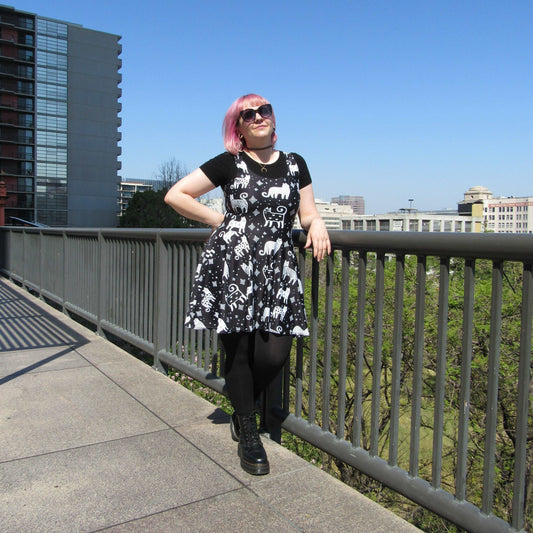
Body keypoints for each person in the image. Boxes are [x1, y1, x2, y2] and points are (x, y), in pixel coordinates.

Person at [164, 94, 330, 475]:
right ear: (237, 127)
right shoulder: (229, 163)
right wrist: (219, 222)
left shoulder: (295, 163)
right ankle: (249, 429)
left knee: (273, 355)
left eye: (264, 110)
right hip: (233, 264)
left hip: (278, 268)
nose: (258, 117)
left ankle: (242, 401)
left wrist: (317, 224)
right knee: (238, 352)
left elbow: (307, 213)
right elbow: (176, 195)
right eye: (248, 114)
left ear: (273, 118)